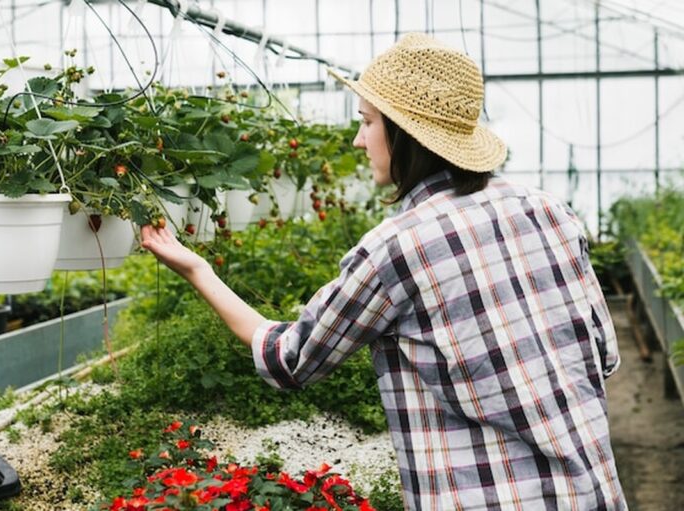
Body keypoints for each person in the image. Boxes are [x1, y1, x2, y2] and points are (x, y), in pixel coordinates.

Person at [140, 33, 627, 511]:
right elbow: (602, 356)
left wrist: (197, 270)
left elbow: (290, 358)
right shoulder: (548, 212)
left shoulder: (398, 248)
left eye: (367, 121)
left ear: (404, 134)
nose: (358, 139)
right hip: (594, 491)